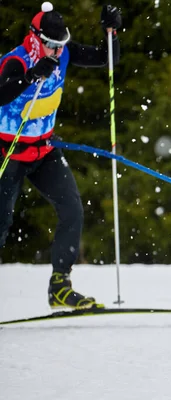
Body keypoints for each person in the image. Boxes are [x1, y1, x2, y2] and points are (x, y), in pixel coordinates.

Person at [0, 2, 122, 310]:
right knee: (2, 223)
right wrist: (29, 77)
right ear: (34, 37)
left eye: (61, 44)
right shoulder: (15, 61)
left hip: (44, 151)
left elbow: (107, 60)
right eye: (51, 45)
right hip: (8, 152)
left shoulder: (63, 54)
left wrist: (112, 32)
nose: (56, 51)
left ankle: (60, 287)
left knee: (73, 211)